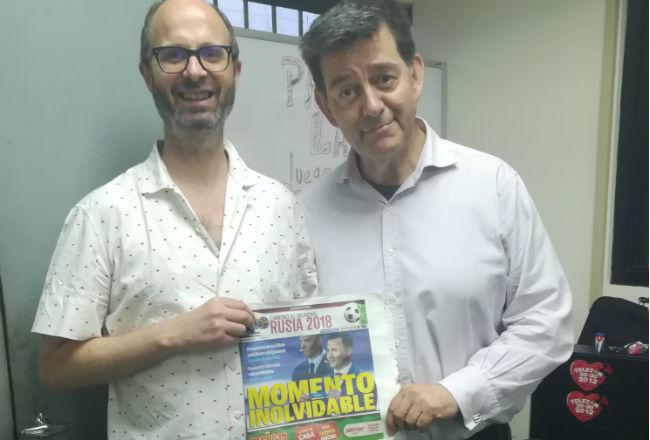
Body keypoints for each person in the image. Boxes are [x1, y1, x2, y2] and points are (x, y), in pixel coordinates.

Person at [31, 0, 317, 438]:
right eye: (174, 55)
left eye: (212, 53)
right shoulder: (102, 214)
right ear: (147, 74)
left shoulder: (282, 206)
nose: (195, 71)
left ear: (235, 70)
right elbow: (56, 367)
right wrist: (171, 335)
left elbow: (311, 336)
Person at [298, 1, 573, 439]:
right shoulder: (304, 214)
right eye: (347, 91)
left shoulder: (492, 186)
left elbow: (547, 322)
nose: (372, 106)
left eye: (384, 79)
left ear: (416, 75)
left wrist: (457, 392)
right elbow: (299, 345)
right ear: (326, 107)